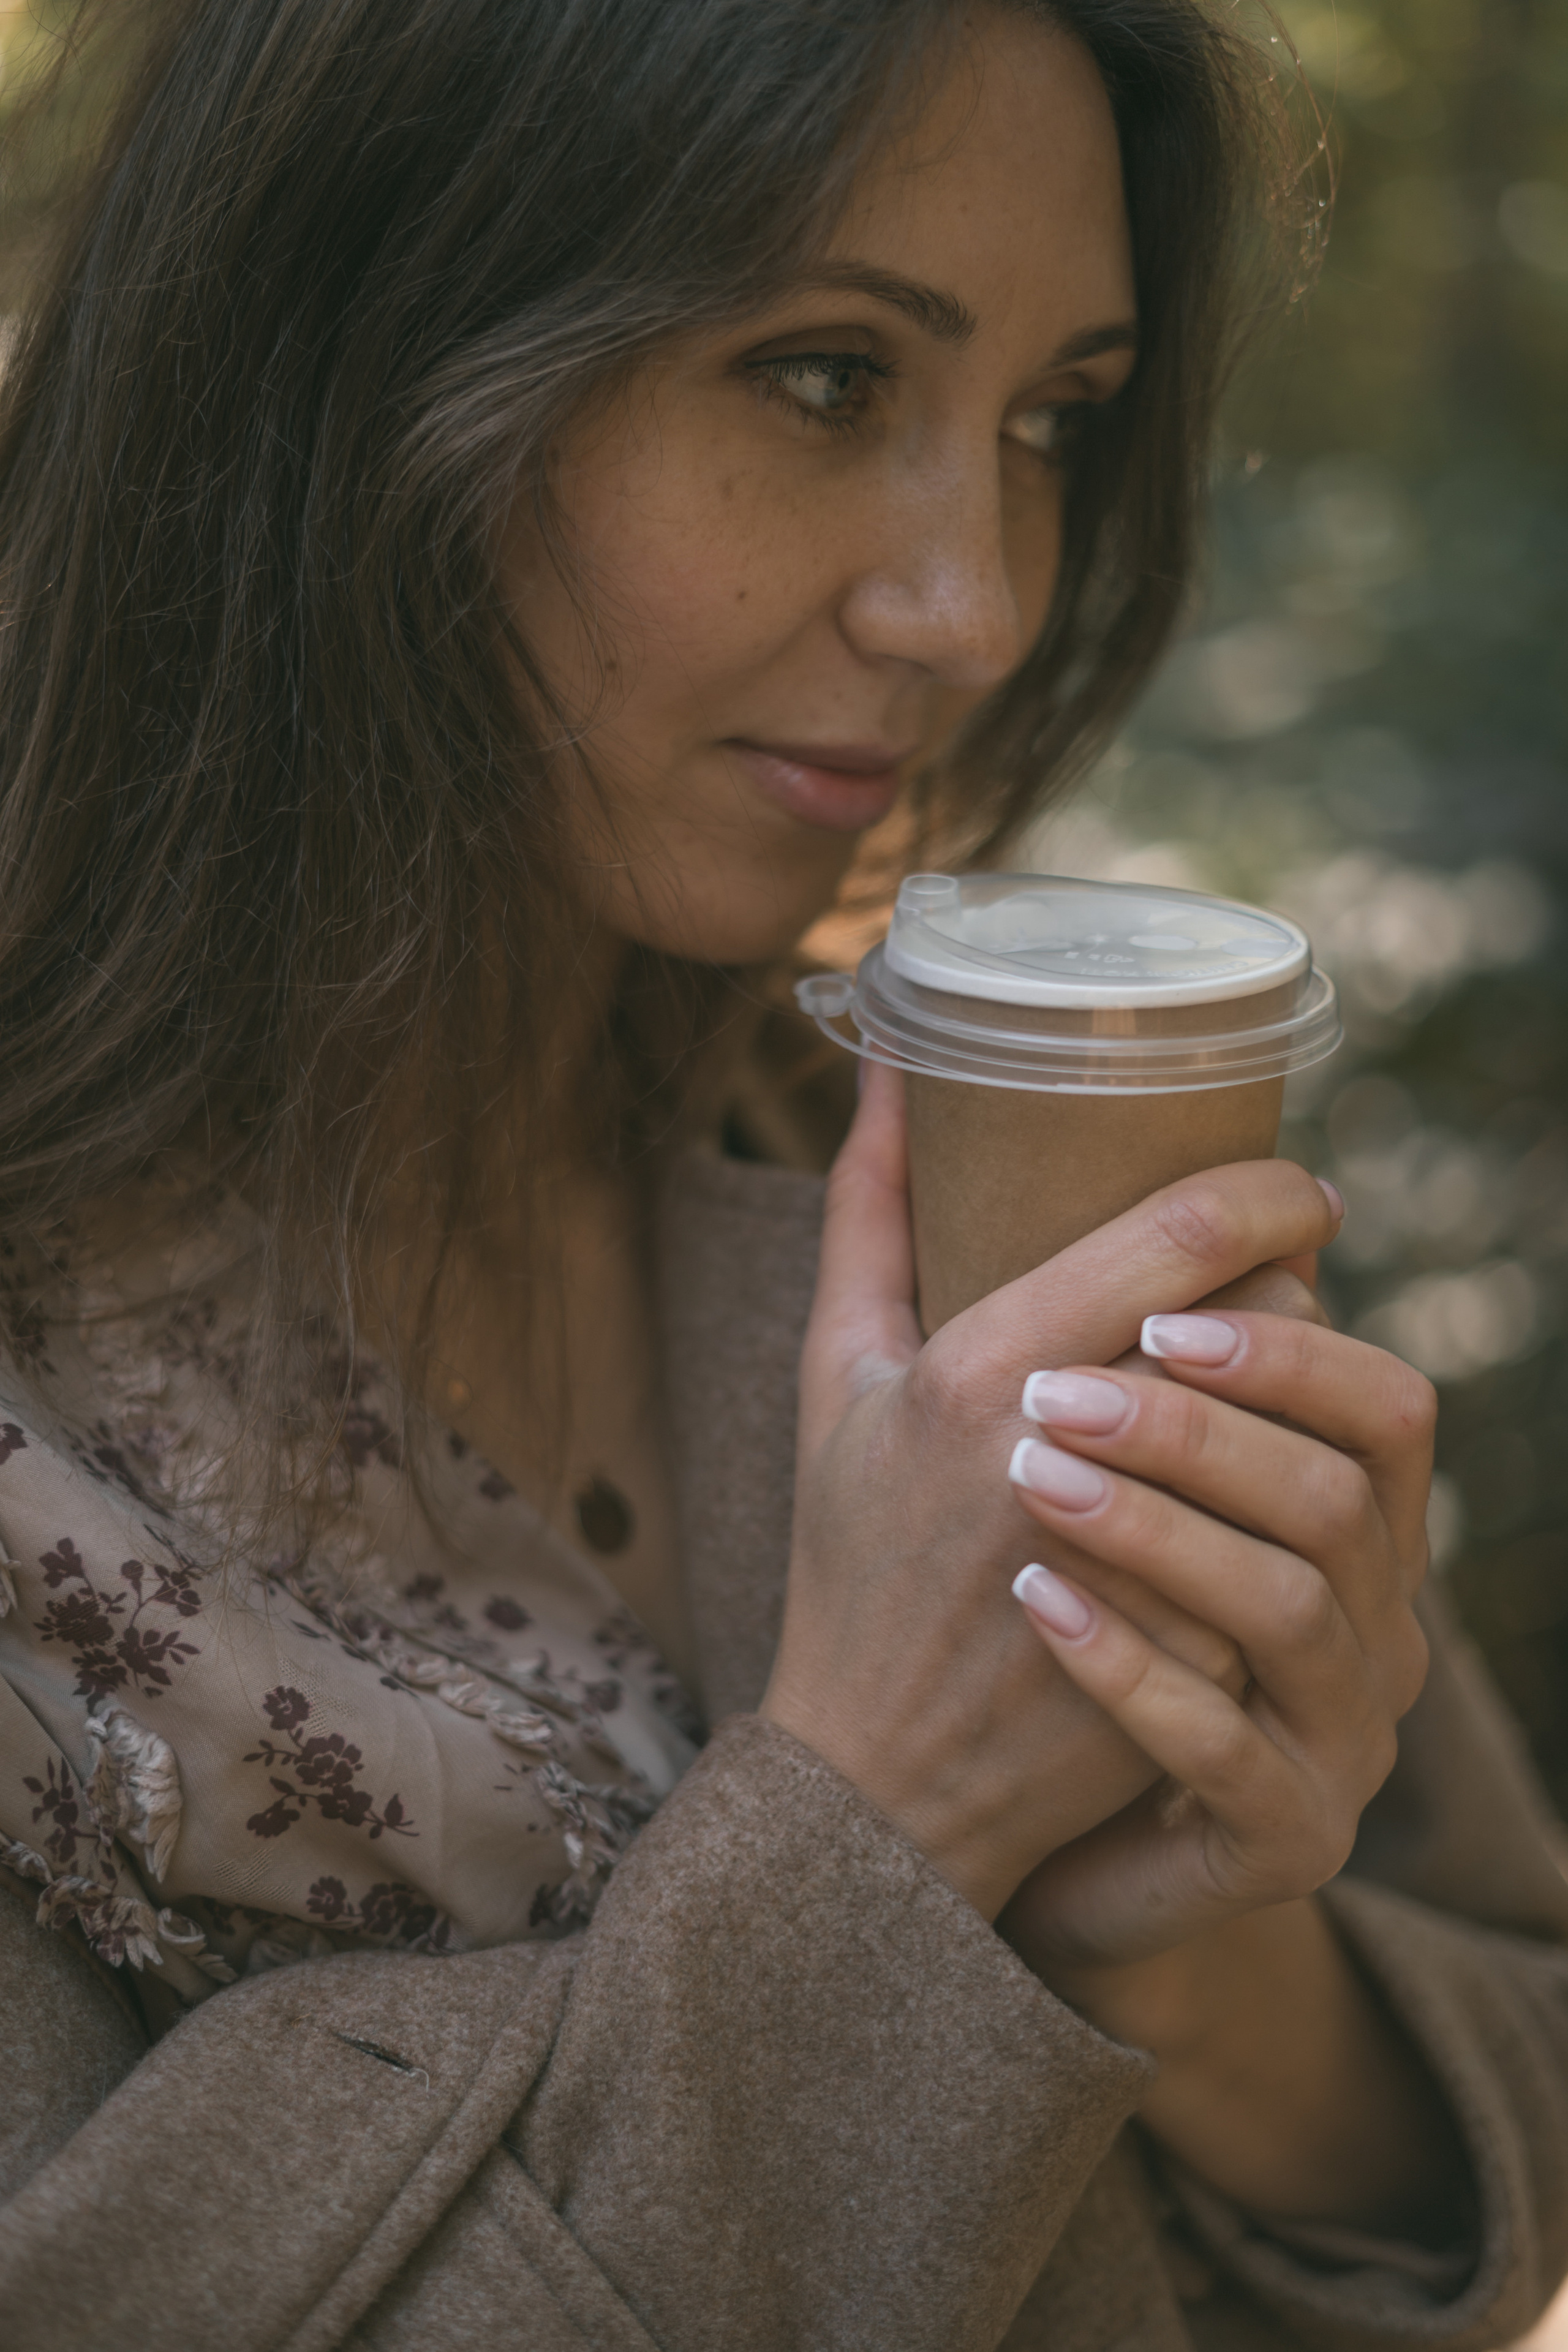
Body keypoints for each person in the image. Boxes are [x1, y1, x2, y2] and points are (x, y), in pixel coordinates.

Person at [0, 3, 1565, 2347]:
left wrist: (1192, 1950)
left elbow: (1503, 2129)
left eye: (1054, 421)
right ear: (354, 339)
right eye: (828, 376)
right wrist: (891, 1841)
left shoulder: (972, 1153)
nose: (983, 604)